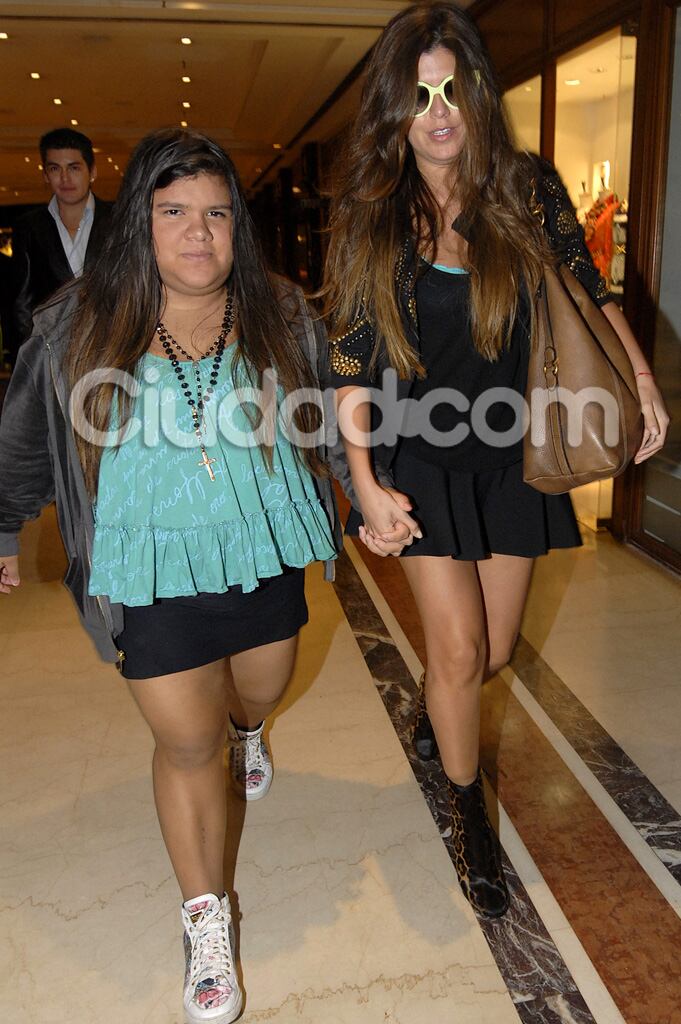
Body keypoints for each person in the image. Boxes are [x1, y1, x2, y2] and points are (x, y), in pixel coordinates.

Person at [322, 1, 669, 919]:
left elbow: (590, 295)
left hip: (513, 453)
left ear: (476, 94)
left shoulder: (525, 188)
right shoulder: (373, 215)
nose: (438, 111)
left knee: (492, 653)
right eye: (419, 93)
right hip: (421, 457)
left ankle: (441, 722)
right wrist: (363, 482)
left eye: (454, 88)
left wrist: (640, 381)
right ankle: (469, 815)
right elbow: (350, 362)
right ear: (396, 108)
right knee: (459, 646)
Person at [0, 128, 340, 1024]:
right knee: (185, 744)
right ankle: (205, 918)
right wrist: (4, 523)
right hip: (144, 567)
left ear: (239, 228)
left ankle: (250, 728)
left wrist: (367, 488)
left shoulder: (280, 311)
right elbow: (27, 435)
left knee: (256, 690)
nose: (199, 233)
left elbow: (340, 413)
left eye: (217, 214)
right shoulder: (78, 321)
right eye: (175, 213)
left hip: (258, 545)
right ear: (139, 226)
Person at [12, 127, 112, 343]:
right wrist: (31, 358)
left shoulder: (118, 221)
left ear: (92, 171)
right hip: (50, 354)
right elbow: (21, 303)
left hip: (110, 349)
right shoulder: (29, 227)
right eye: (55, 168)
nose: (65, 178)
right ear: (45, 175)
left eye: (74, 168)